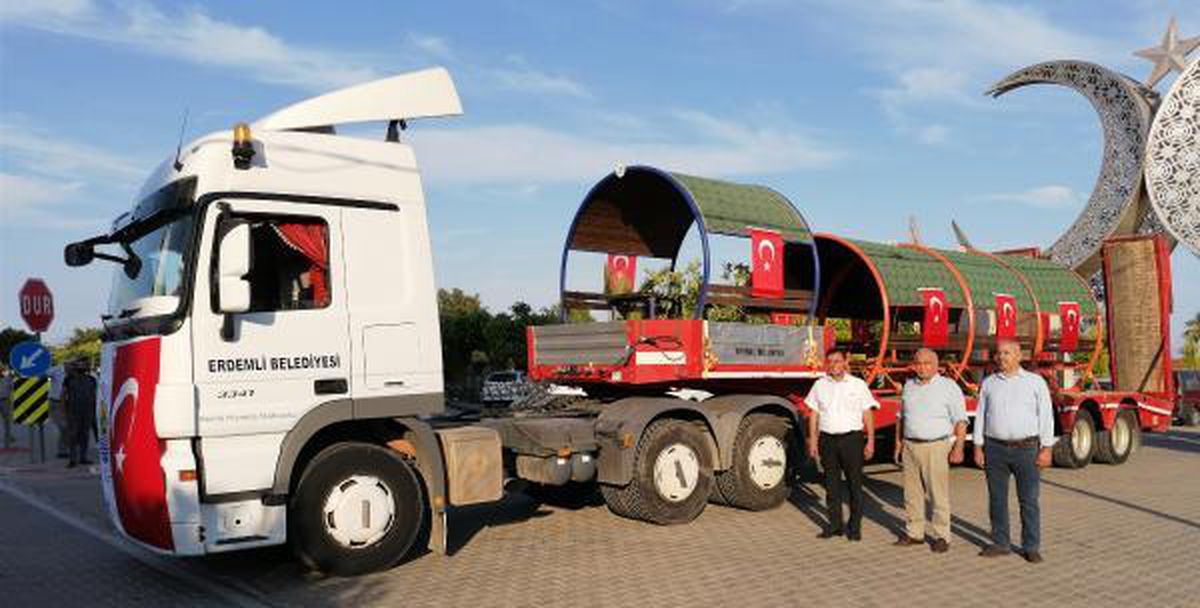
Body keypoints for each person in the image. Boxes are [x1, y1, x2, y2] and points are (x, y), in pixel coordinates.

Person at [973, 339, 1054, 564]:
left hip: (1026, 449)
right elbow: (981, 415)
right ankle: (1000, 543)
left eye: (1007, 353)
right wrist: (978, 446)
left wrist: (1046, 448)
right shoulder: (989, 383)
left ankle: (1031, 546)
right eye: (999, 353)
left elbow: (1046, 416)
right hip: (995, 449)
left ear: (1019, 356)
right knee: (997, 499)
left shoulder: (1035, 382)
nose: (1001, 357)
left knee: (1028, 500)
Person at [893, 348, 967, 553]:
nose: (922, 367)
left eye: (927, 363)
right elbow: (902, 417)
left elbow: (960, 420)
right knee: (912, 493)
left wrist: (958, 447)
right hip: (910, 445)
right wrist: (898, 443)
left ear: (936, 366)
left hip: (936, 446)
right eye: (918, 363)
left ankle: (942, 535)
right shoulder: (909, 386)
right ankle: (914, 533)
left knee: (938, 494)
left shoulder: (948, 387)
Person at [805, 349, 879, 541]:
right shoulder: (819, 385)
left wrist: (870, 440)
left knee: (855, 485)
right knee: (831, 486)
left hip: (851, 440)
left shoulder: (858, 385)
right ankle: (835, 525)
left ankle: (854, 528)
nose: (833, 365)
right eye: (830, 362)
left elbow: (867, 413)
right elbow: (814, 414)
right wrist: (813, 440)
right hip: (827, 440)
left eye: (837, 361)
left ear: (845, 362)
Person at [62, 359, 98, 468]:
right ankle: (73, 459)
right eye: (79, 365)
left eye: (84, 365)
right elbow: (63, 395)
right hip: (73, 411)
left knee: (85, 435)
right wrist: (63, 410)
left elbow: (95, 394)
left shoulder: (92, 379)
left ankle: (83, 457)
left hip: (88, 411)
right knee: (73, 435)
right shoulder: (68, 379)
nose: (82, 367)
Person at [47, 363, 68, 458]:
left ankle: (68, 449)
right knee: (63, 427)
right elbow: (42, 374)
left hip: (69, 403)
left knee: (70, 427)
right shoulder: (56, 370)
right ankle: (62, 451)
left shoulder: (74, 373)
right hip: (56, 402)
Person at [0, 367, 14, 447]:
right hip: (5, 400)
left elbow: (12, 387)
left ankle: (7, 437)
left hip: (5, 401)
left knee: (7, 421)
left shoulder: (7, 378)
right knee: (6, 421)